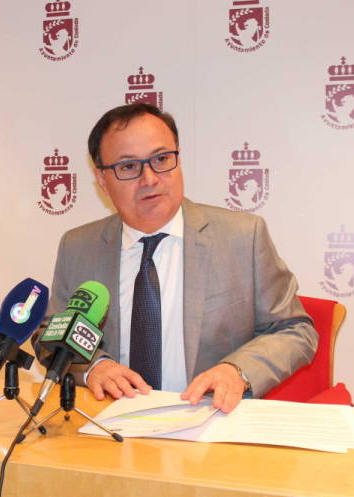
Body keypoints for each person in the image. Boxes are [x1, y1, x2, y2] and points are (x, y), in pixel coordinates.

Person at [37, 103, 317, 413]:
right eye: (128, 167)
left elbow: (294, 330)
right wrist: (92, 366)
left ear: (178, 160)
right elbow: (52, 335)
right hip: (110, 426)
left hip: (211, 424)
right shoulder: (79, 246)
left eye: (161, 159)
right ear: (102, 180)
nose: (150, 179)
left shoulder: (241, 237)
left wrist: (237, 370)